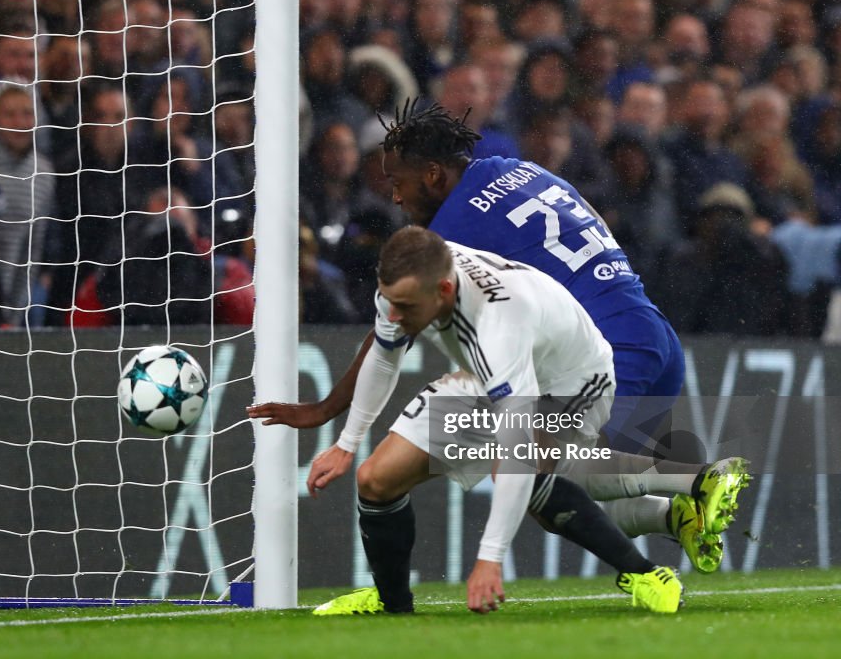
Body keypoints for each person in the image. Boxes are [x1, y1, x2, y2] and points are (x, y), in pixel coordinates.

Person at [248, 101, 744, 584]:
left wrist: (327, 408)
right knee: (553, 494)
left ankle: (697, 478)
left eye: (398, 182)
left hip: (609, 349)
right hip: (652, 333)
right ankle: (678, 516)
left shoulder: (452, 228)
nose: (395, 198)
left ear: (435, 175)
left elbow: (392, 327)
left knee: (541, 474)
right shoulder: (516, 170)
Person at [291, 227, 748, 615]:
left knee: (530, 481)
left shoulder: (496, 328)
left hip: (571, 377)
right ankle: (393, 606)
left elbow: (514, 459)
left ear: (444, 291)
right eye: (389, 302)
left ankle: (649, 575)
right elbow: (385, 356)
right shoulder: (407, 283)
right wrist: (347, 443)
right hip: (487, 374)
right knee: (375, 479)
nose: (394, 315)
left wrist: (490, 559)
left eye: (405, 308)